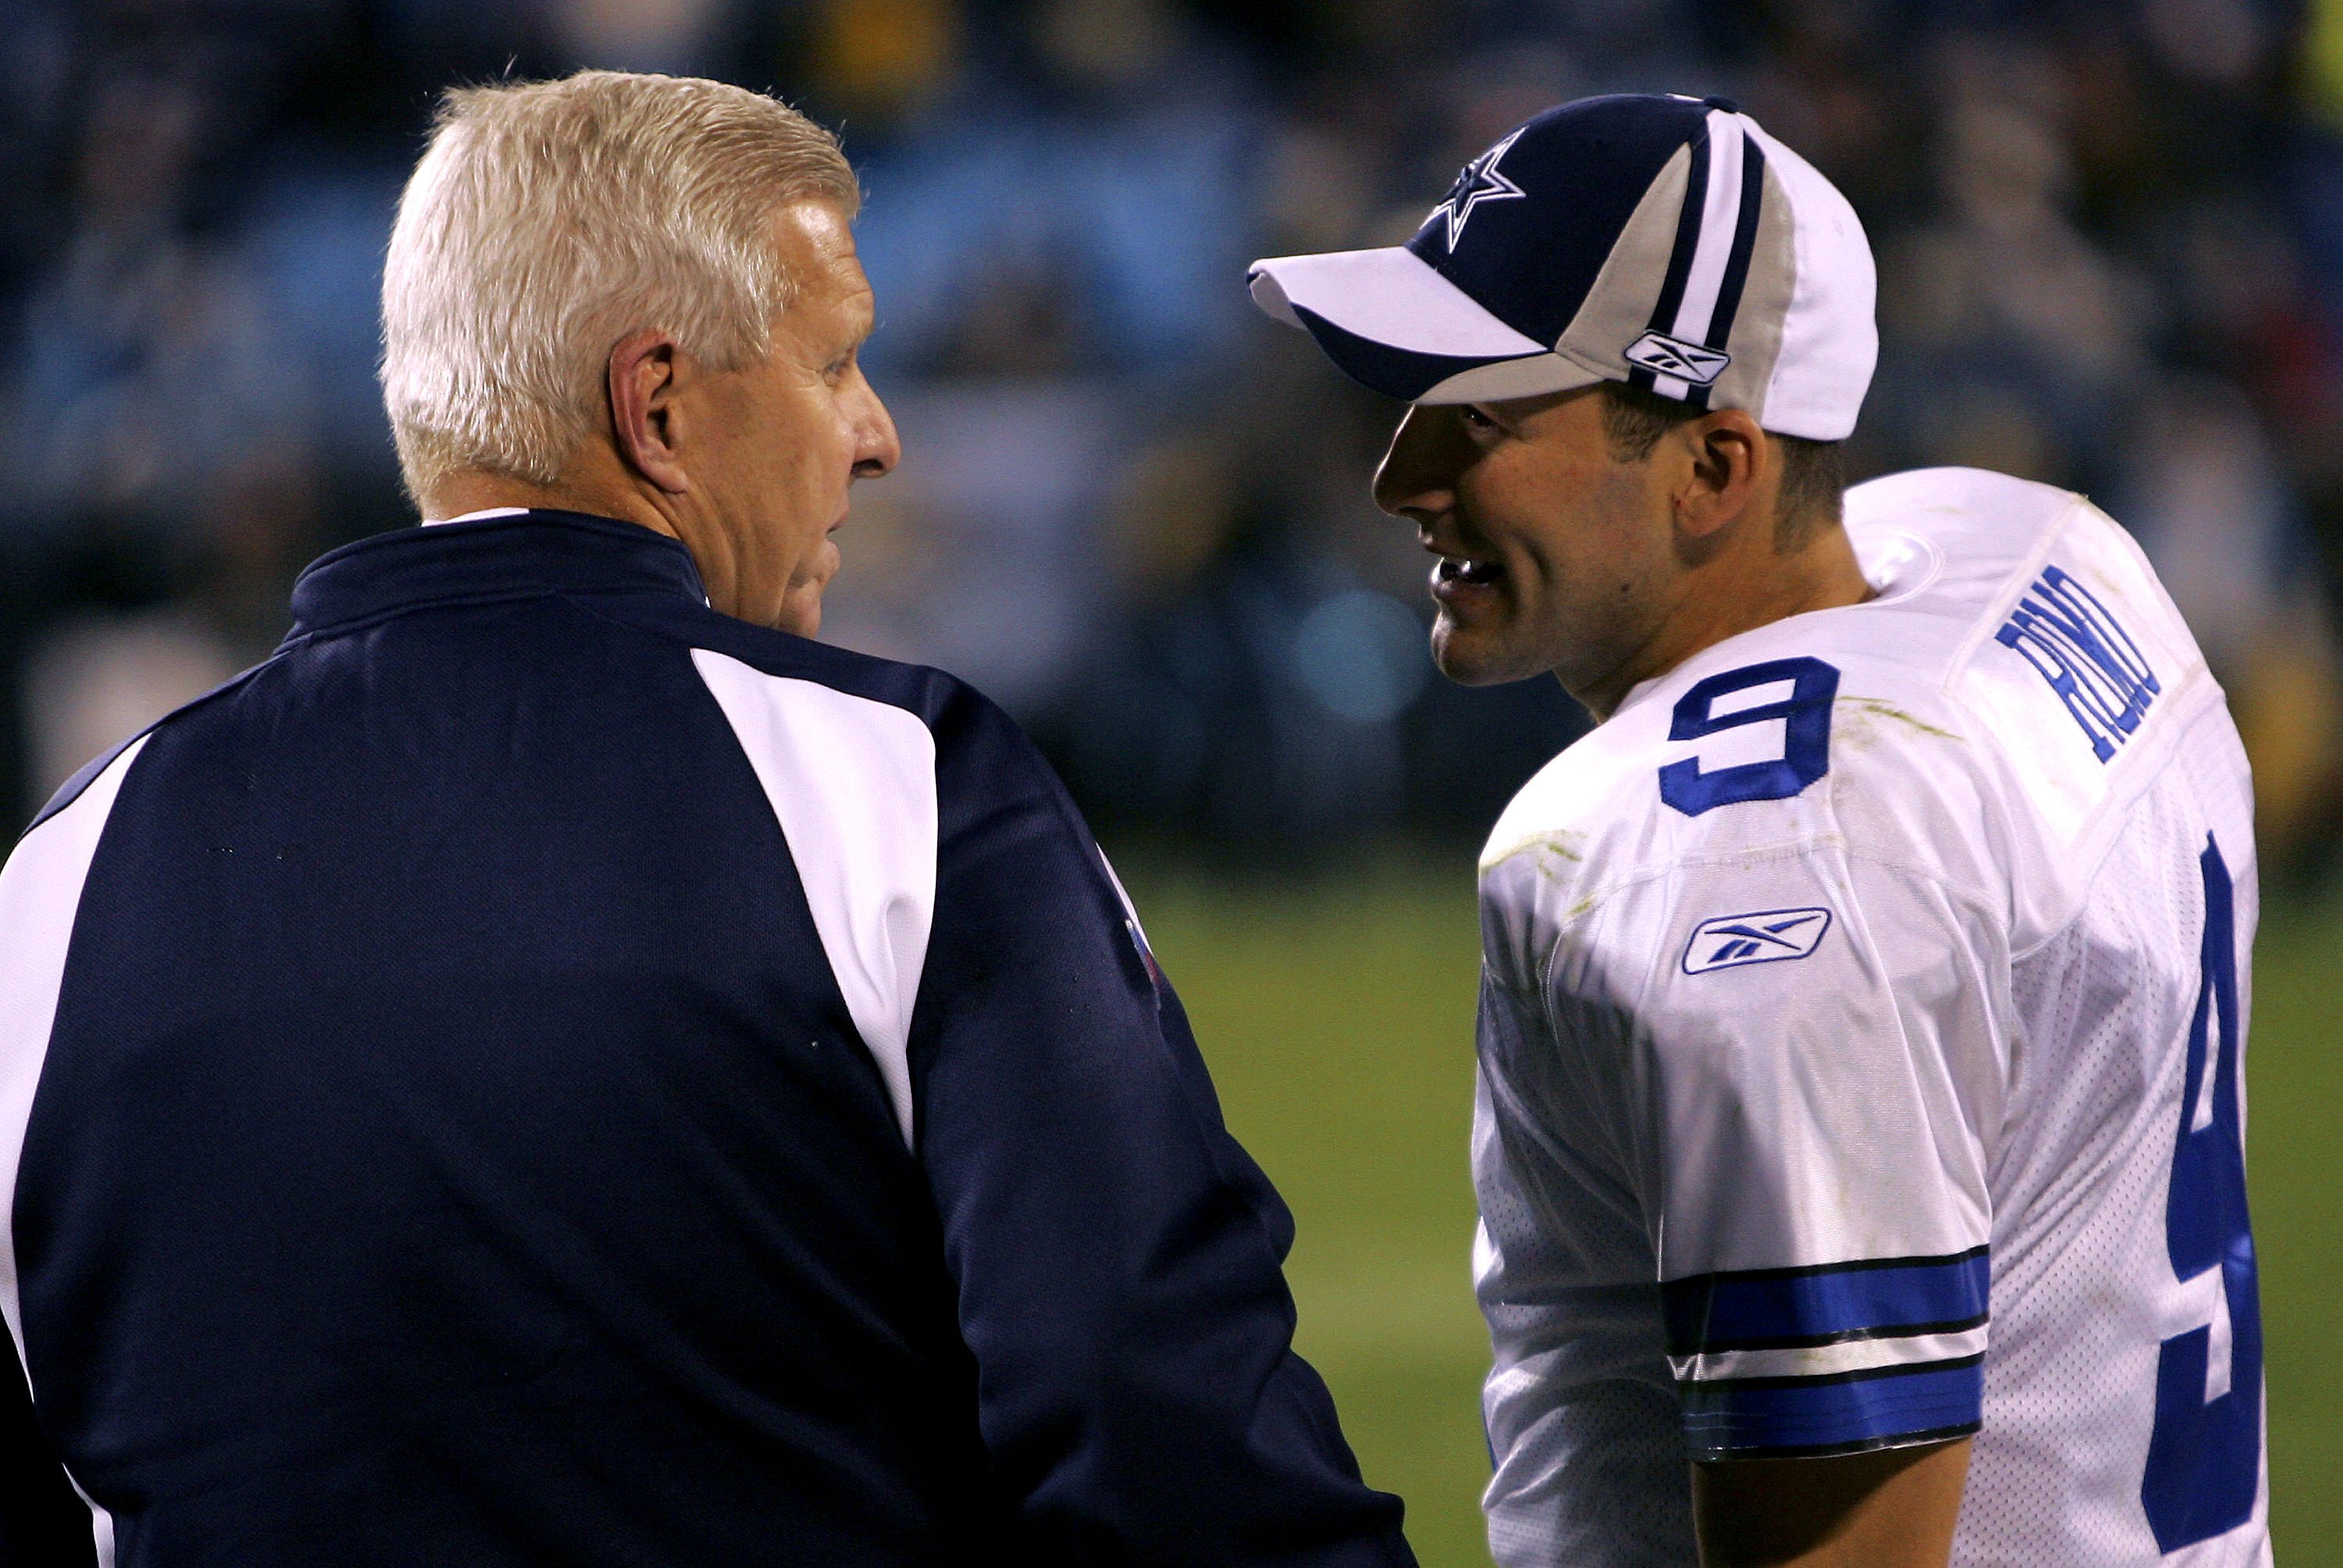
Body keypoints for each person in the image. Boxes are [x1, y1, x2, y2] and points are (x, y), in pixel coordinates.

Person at [0, 71, 1414, 1567]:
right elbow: (1166, 1434)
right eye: (835, 364)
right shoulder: (891, 782)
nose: (876, 435)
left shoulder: (58, 880)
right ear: (659, 406)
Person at [1249, 93, 2268, 1567]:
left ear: (1716, 468)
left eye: (1482, 414)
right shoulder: (2045, 561)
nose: (1400, 476)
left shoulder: (1758, 857)